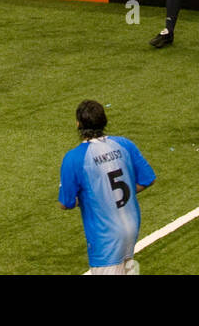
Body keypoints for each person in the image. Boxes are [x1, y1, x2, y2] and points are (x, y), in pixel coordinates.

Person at [58, 98, 155, 276]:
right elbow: (147, 179)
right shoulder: (124, 144)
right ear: (104, 121)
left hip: (105, 238)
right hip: (131, 227)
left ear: (78, 124)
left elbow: (66, 202)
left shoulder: (74, 158)